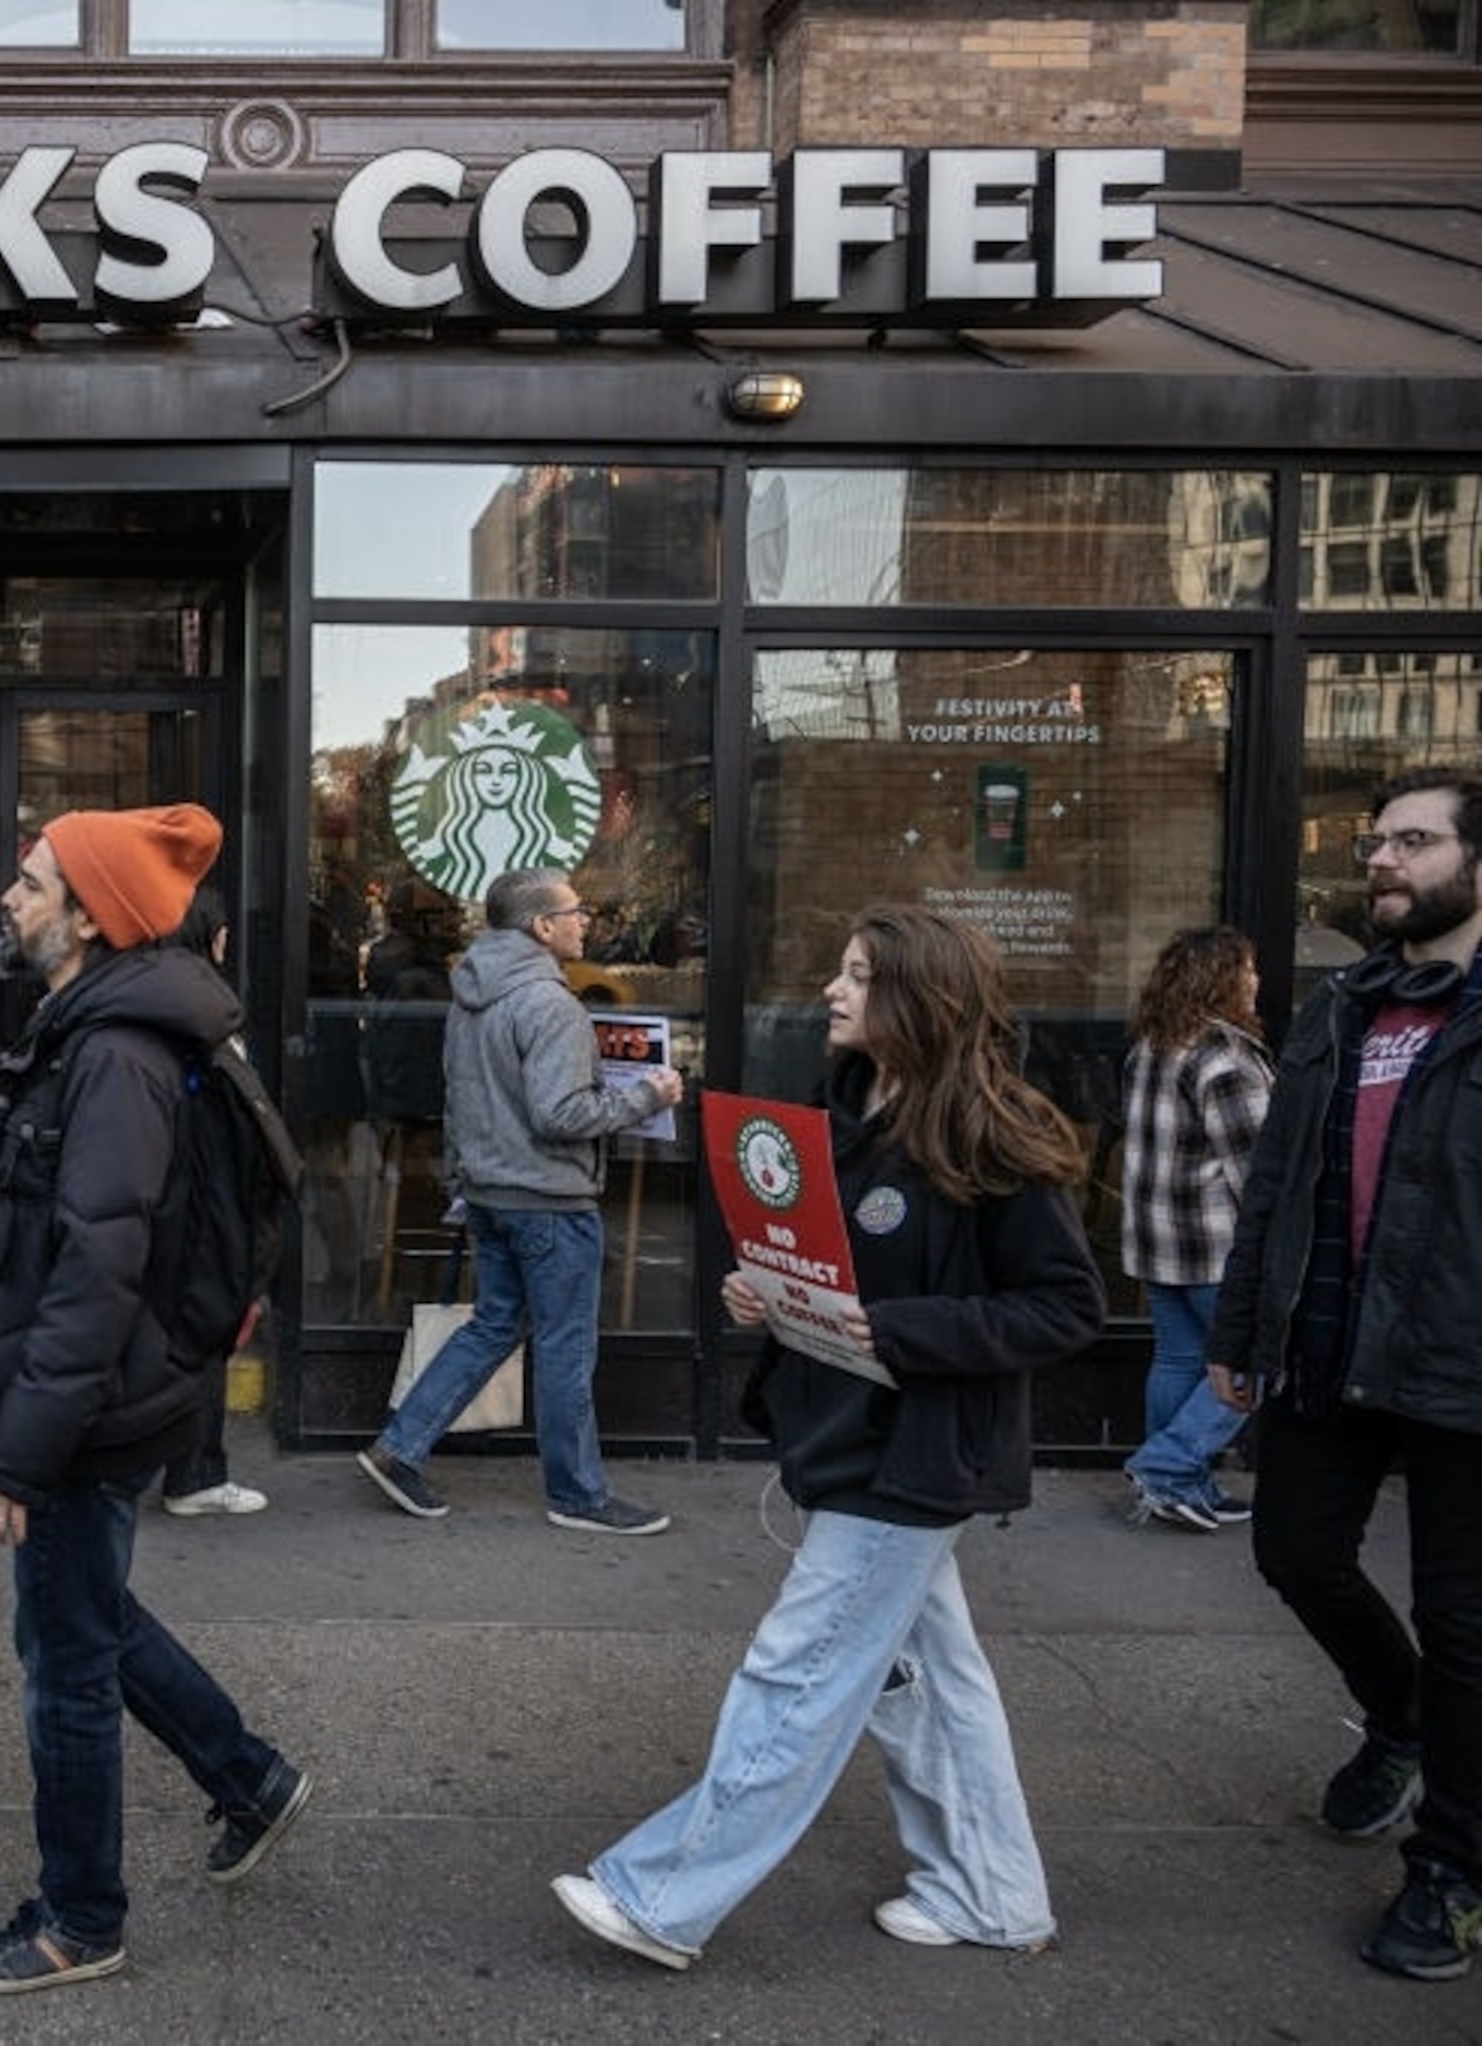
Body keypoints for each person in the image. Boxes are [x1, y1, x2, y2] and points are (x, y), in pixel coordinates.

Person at [555, 904, 1103, 1972]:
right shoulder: (841, 1109)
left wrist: (894, 1329)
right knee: (932, 1683)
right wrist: (771, 1292)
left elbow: (1063, 1307)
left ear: (917, 995)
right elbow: (833, 1263)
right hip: (848, 1433)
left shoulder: (993, 1131)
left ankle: (664, 1894)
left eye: (857, 975)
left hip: (916, 1451)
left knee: (796, 1670)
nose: (833, 991)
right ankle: (993, 1895)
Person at [0, 804, 310, 1996]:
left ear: (94, 917)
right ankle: (245, 1774)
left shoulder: (115, 1055)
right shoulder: (97, 1024)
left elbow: (96, 1269)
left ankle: (80, 1920)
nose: (10, 894)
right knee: (77, 1616)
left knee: (66, 1662)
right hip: (105, 1398)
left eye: (35, 880)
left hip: (86, 1411)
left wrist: (17, 1455)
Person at [1209, 766, 1482, 1982]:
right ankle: (1404, 1714)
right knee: (1295, 1552)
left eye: (1414, 843)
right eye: (1378, 842)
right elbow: (1274, 1184)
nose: (1382, 860)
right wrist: (1235, 1332)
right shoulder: (1342, 1009)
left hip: (1461, 1368)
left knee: (1466, 1624)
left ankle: (1451, 1873)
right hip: (1326, 1346)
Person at [357, 866, 683, 1534]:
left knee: (494, 1325)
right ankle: (579, 1495)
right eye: (574, 910)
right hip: (548, 1198)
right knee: (565, 1345)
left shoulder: (471, 992)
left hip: (488, 1190)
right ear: (541, 925)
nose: (585, 919)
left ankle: (399, 1447)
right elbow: (562, 1114)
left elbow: (462, 1093)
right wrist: (648, 1097)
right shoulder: (551, 1005)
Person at [1117, 924, 1272, 1532]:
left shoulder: (1151, 1046)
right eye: (1246, 968)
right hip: (1217, 1247)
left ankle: (1179, 1485)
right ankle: (1170, 1468)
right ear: (1219, 980)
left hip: (1157, 1240)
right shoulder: (1225, 1058)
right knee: (1254, 1364)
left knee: (1180, 1360)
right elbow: (1260, 1174)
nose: (1255, 980)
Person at [158, 887, 267, 1517]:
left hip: (173, 1193)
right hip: (204, 1196)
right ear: (214, 935)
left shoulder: (154, 994)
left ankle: (185, 1466)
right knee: (203, 1327)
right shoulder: (207, 1008)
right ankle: (195, 1474)